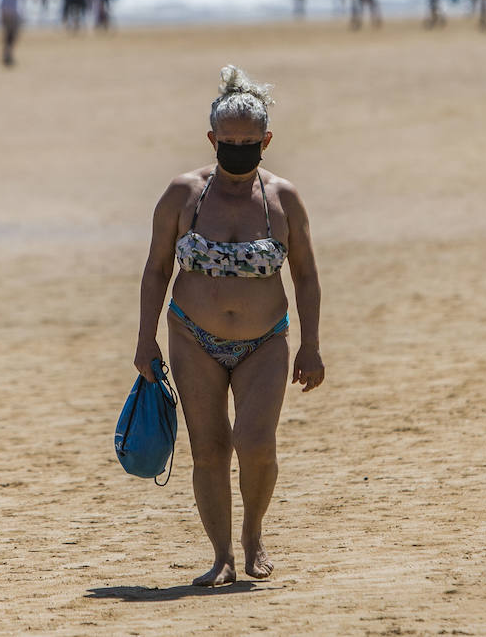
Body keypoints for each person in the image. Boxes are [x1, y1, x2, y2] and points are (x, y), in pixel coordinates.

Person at [135, 64, 324, 587]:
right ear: (212, 139)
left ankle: (254, 534)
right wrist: (144, 338)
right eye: (228, 141)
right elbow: (155, 270)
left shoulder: (284, 199)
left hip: (266, 340)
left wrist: (311, 344)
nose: (238, 150)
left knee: (255, 441)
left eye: (249, 142)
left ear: (266, 141)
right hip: (192, 335)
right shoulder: (183, 195)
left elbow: (306, 275)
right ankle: (221, 555)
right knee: (210, 447)